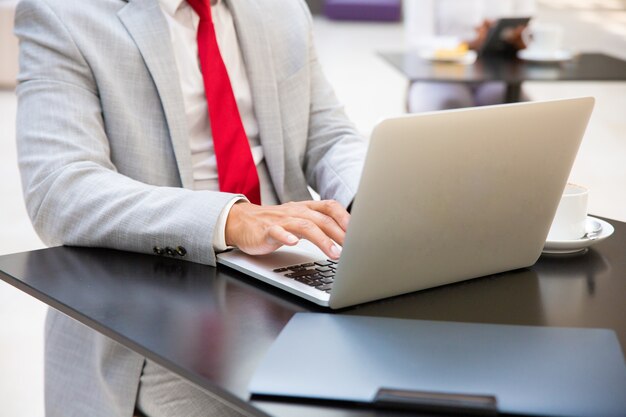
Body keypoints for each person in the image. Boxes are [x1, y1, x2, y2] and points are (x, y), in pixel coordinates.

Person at [14, 0, 367, 415]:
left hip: (289, 275)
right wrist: (230, 218)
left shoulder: (281, 9)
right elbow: (59, 189)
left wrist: (371, 199)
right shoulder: (63, 14)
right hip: (157, 303)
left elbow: (328, 135)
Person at [405, 0, 535, 113]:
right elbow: (416, 40)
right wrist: (467, 44)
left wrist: (518, 39)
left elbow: (529, 30)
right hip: (438, 75)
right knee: (451, 105)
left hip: (495, 74)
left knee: (520, 109)